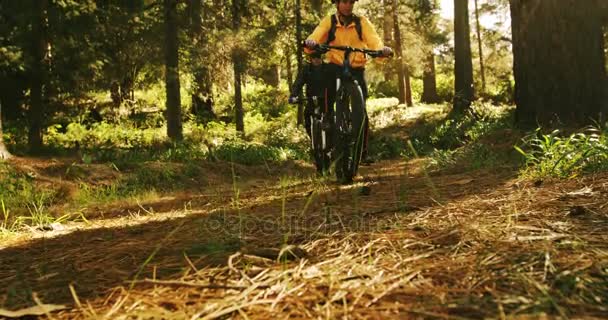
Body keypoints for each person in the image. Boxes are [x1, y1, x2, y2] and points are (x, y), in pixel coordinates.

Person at [303, 0, 392, 164]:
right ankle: (327, 123)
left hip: (356, 69)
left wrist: (382, 50)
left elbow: (373, 39)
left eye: (351, 2)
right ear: (337, 3)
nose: (348, 5)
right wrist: (311, 43)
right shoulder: (329, 21)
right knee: (326, 101)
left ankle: (362, 152)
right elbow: (317, 35)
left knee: (361, 110)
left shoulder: (361, 22)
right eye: (344, 1)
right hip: (334, 67)